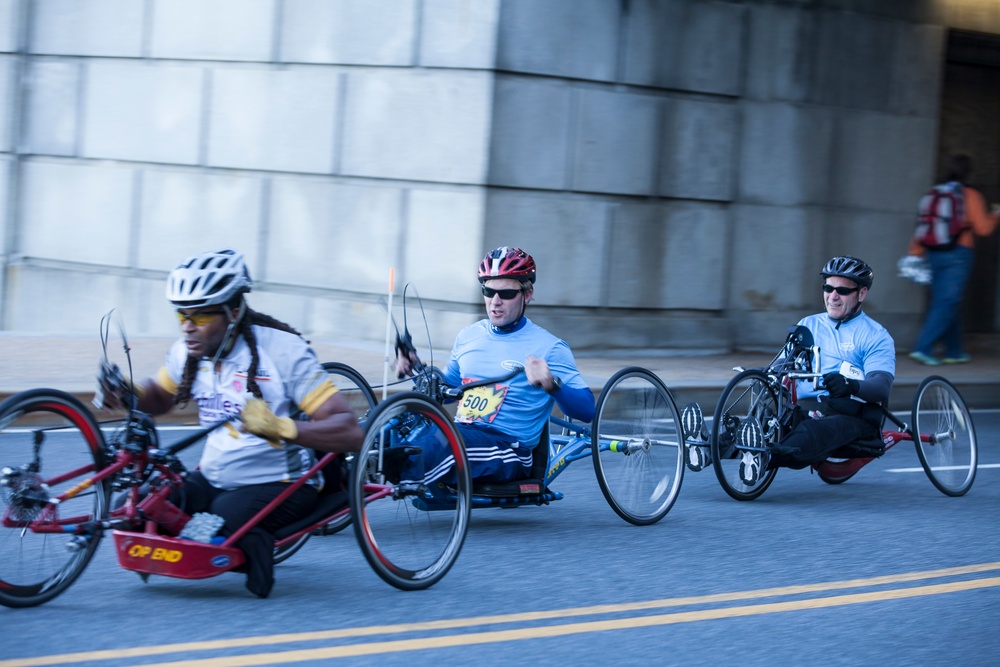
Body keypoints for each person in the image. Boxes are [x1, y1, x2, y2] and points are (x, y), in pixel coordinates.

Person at [97, 248, 363, 598]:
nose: (188, 327)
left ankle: (254, 548)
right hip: (212, 477)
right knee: (134, 509)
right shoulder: (188, 350)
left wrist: (281, 427)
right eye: (182, 316)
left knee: (214, 532)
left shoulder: (284, 352)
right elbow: (159, 397)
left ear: (233, 312)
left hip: (280, 483)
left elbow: (350, 430)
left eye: (201, 317)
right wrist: (127, 393)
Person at [393, 246, 595, 489]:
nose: (495, 302)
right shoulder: (469, 335)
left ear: (527, 294)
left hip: (508, 449)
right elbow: (447, 393)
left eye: (506, 294)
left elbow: (587, 411)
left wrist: (553, 385)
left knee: (437, 447)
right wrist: (416, 370)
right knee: (387, 430)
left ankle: (378, 474)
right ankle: (347, 474)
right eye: (488, 291)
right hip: (462, 430)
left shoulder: (550, 347)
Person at [741, 256, 896, 482]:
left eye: (842, 291)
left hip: (851, 415)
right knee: (766, 415)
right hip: (805, 409)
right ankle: (709, 445)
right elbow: (781, 365)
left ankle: (764, 458)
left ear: (861, 294)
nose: (833, 296)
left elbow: (881, 386)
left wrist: (849, 385)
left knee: (813, 431)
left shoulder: (875, 335)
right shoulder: (808, 324)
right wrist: (767, 375)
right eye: (828, 288)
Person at [907, 154, 1000, 365]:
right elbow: (984, 229)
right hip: (959, 254)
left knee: (948, 301)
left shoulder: (934, 193)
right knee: (947, 301)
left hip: (933, 252)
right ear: (968, 173)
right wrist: (996, 214)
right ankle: (923, 347)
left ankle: (954, 351)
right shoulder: (971, 195)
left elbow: (923, 227)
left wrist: (914, 251)